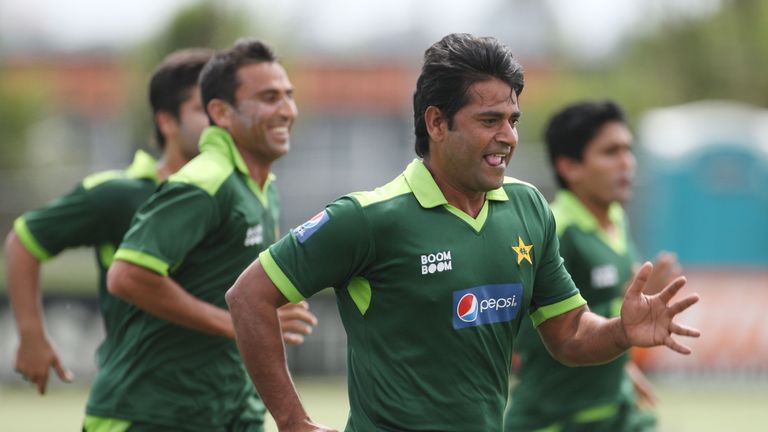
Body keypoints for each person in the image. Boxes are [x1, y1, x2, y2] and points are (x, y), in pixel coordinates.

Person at [225, 33, 700, 432]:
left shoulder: (528, 208)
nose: (508, 136)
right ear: (436, 122)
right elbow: (249, 296)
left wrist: (621, 330)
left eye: (513, 120)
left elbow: (569, 333)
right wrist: (291, 420)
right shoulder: (368, 218)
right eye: (489, 120)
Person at [89, 38, 309, 432]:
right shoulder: (205, 182)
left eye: (288, 96)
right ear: (222, 113)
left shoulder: (262, 186)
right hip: (150, 414)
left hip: (227, 410)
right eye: (269, 97)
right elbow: (126, 275)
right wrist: (235, 322)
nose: (286, 110)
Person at [5, 48, 213, 395]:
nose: (220, 118)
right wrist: (30, 333)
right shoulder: (117, 194)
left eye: (226, 105)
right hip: (137, 403)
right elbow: (23, 241)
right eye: (203, 108)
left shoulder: (245, 194)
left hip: (227, 407)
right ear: (167, 121)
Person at [505, 100, 682, 432]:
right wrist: (625, 320)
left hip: (615, 411)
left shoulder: (615, 219)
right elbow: (531, 331)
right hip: (556, 419)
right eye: (610, 152)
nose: (626, 162)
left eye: (628, 149)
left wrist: (622, 366)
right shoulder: (555, 230)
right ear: (569, 166)